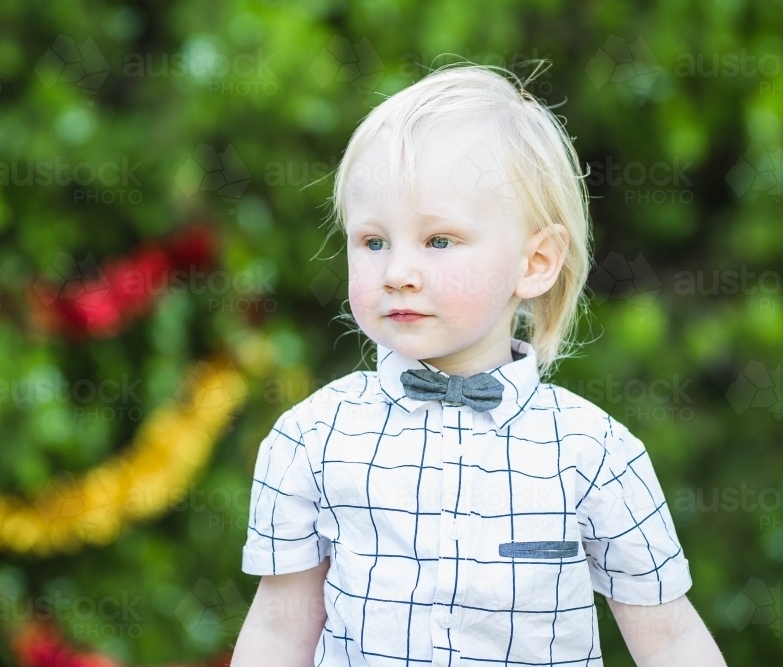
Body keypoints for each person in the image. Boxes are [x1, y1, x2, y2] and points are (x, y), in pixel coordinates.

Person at [230, 63, 728, 667]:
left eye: (439, 241)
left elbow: (670, 639)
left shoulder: (593, 454)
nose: (397, 272)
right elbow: (280, 632)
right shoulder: (312, 439)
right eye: (373, 241)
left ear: (536, 262)